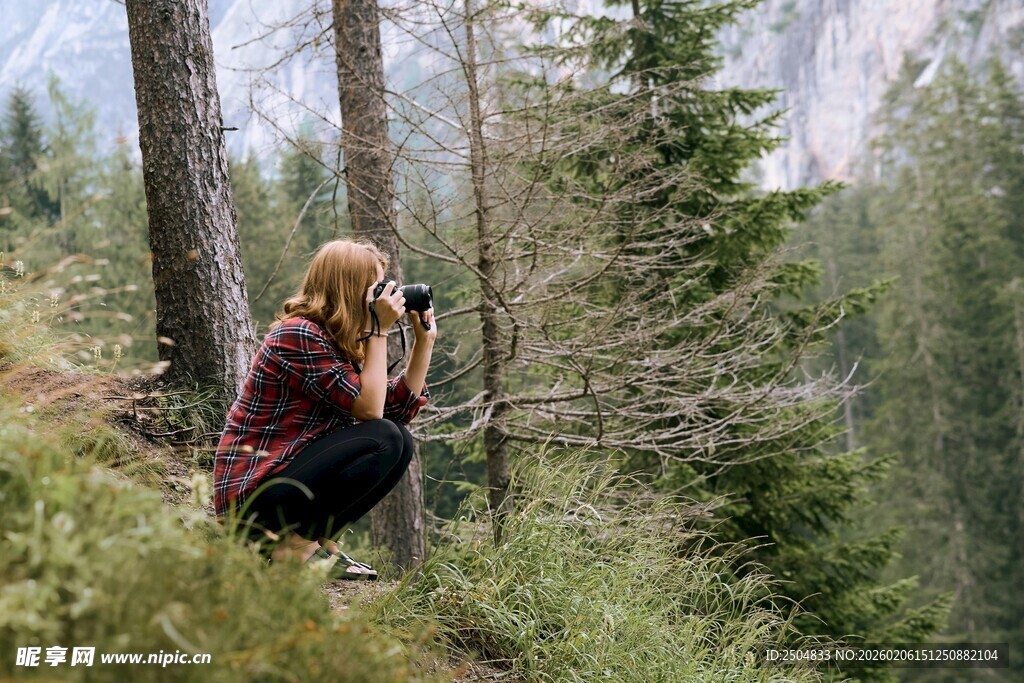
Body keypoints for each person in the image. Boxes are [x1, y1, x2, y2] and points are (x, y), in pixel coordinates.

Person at [213, 239, 435, 579]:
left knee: (400, 442)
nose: (384, 295)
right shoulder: (298, 334)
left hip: (282, 488)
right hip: (250, 501)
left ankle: (318, 542)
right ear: (348, 288)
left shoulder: (339, 342)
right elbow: (371, 413)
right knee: (386, 437)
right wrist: (378, 331)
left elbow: (393, 410)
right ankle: (296, 548)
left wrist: (424, 344)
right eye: (375, 287)